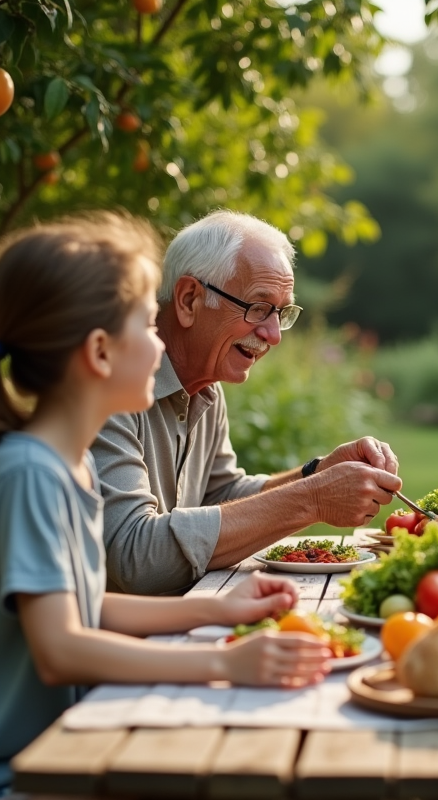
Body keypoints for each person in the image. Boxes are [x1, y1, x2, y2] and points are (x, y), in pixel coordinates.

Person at [0, 213, 331, 800]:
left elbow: (85, 606)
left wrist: (218, 612)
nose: (159, 341)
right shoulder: (30, 473)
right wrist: (225, 666)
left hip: (54, 752)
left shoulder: (67, 466)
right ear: (101, 353)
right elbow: (60, 649)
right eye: (143, 324)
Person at [92, 210, 402, 595]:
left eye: (281, 313)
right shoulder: (108, 385)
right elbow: (135, 558)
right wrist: (313, 499)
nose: (273, 335)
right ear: (189, 299)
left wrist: (316, 473)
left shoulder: (205, 386)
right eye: (258, 307)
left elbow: (218, 498)